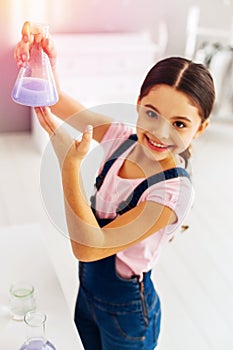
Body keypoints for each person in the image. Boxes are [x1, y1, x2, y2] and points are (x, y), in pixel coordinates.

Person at [14, 22, 215, 350]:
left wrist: (69, 164)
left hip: (127, 313)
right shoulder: (122, 136)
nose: (160, 133)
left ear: (200, 128)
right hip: (88, 295)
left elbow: (89, 247)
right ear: (138, 103)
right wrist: (46, 65)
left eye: (179, 124)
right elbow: (56, 101)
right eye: (152, 114)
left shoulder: (171, 192)